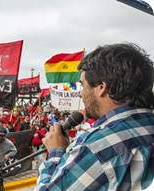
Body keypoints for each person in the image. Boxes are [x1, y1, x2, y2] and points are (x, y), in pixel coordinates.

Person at [35, 43, 154, 190]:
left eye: (83, 85)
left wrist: (55, 152)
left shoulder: (96, 147)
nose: (80, 93)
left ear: (101, 88)